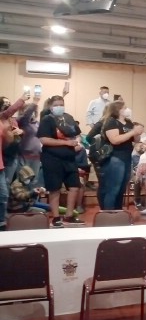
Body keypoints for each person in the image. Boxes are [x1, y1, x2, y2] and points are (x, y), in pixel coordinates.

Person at [37, 95, 84, 228]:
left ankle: (69, 216)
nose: (60, 107)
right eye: (57, 105)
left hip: (69, 158)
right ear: (51, 107)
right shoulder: (47, 120)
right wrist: (66, 143)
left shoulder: (68, 118)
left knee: (75, 186)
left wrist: (77, 142)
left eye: (61, 104)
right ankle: (56, 217)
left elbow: (77, 133)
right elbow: (44, 140)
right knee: (55, 189)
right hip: (52, 159)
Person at [99, 102, 144, 210]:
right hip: (115, 157)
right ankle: (108, 213)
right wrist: (132, 132)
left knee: (121, 189)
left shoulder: (128, 122)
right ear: (117, 110)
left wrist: (137, 132)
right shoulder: (111, 122)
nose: (127, 109)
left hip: (127, 157)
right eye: (124, 108)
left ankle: (118, 211)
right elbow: (115, 140)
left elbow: (136, 140)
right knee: (113, 188)